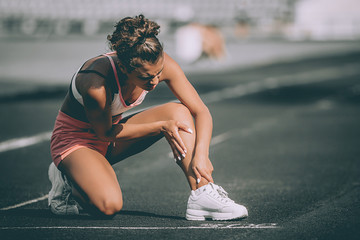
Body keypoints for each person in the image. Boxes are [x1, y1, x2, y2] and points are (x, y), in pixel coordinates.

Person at [48, 15, 248, 221]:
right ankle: (68, 178)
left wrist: (202, 155)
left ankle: (202, 193)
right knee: (108, 206)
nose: (154, 81)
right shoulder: (95, 83)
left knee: (179, 112)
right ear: (124, 68)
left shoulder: (158, 62)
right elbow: (105, 133)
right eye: (145, 77)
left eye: (158, 73)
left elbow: (201, 111)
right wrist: (160, 127)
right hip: (76, 142)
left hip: (112, 135)